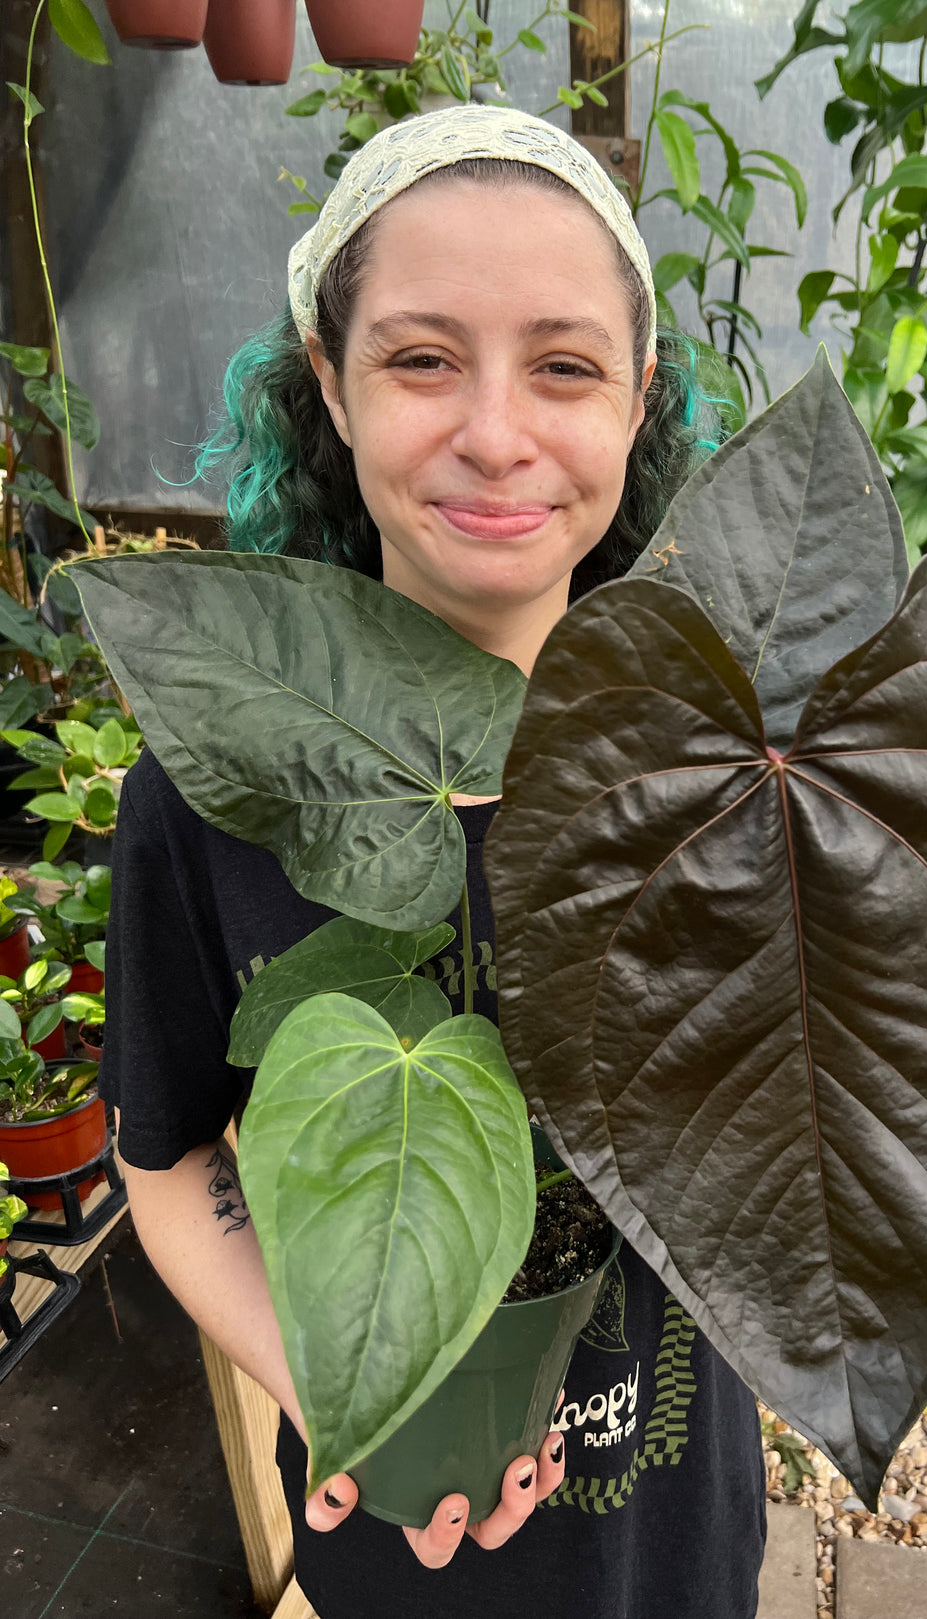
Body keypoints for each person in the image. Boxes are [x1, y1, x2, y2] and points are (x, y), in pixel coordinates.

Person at [101, 105, 767, 1619]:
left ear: (636, 397)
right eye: (418, 358)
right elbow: (170, 1154)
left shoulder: (718, 762)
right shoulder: (216, 784)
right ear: (326, 381)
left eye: (564, 365)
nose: (494, 431)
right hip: (386, 1542)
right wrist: (341, 1379)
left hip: (670, 1537)